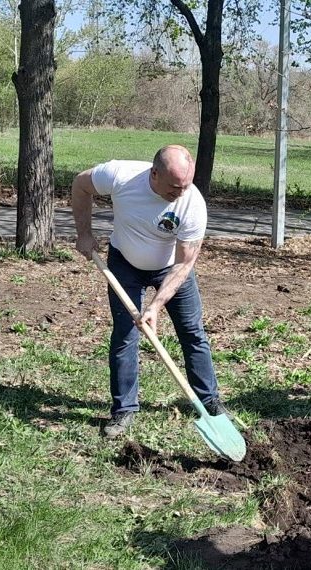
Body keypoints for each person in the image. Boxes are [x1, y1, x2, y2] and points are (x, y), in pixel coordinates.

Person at [71, 145, 231, 438]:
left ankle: (209, 400)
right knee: (125, 335)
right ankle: (124, 410)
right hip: (124, 263)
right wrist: (84, 233)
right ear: (154, 174)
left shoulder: (192, 204)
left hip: (171, 269)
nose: (180, 193)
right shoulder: (120, 175)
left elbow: (184, 264)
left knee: (192, 331)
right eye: (174, 186)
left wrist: (155, 307)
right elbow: (81, 185)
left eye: (186, 185)